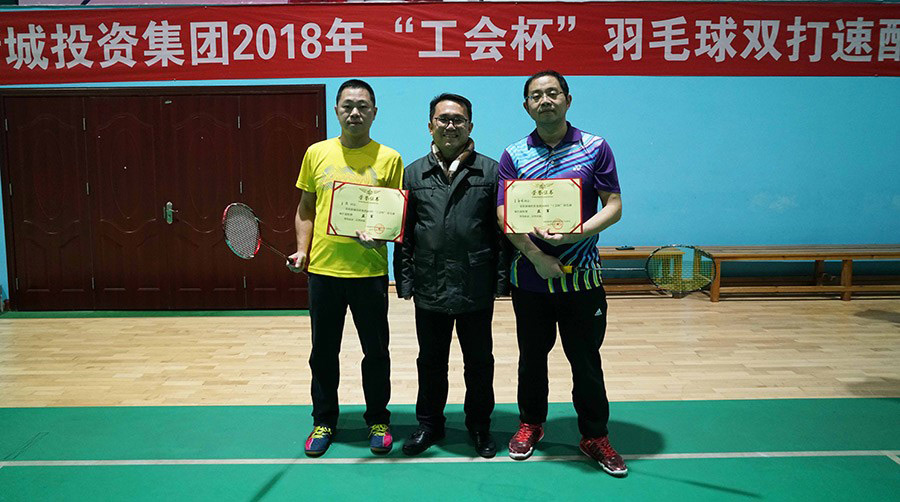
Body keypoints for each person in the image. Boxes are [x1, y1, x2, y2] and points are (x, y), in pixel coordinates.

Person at [496, 70, 628, 477]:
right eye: (536, 95)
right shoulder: (514, 154)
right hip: (530, 279)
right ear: (526, 106)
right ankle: (531, 424)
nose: (545, 100)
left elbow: (613, 205)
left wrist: (578, 232)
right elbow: (504, 214)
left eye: (552, 93)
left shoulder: (595, 147)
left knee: (585, 361)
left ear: (567, 99)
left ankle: (595, 435)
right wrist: (536, 256)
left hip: (582, 279)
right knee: (532, 359)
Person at [288, 79, 403, 457]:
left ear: (374, 112)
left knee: (376, 352)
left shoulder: (390, 158)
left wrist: (380, 238)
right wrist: (302, 251)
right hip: (323, 272)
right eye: (348, 106)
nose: (355, 112)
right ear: (336, 111)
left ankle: (378, 420)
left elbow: (393, 216)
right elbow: (306, 207)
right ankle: (323, 421)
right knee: (323, 353)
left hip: (369, 274)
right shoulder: (316, 153)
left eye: (363, 106)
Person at [394, 93, 508, 458]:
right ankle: (429, 424)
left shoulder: (491, 172)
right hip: (430, 284)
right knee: (430, 362)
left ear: (470, 126)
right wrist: (405, 281)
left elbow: (502, 234)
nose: (450, 125)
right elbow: (405, 234)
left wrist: (501, 282)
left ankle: (479, 426)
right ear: (430, 126)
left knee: (479, 363)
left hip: (475, 283)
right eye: (443, 119)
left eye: (458, 119)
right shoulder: (413, 173)